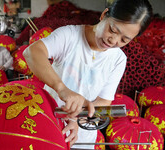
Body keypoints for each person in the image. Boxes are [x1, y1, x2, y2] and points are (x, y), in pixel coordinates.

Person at [23, 0, 153, 149]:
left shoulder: (118, 59)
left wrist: (78, 119)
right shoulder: (70, 36)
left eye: (124, 40)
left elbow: (104, 101)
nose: (113, 40)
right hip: (49, 123)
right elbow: (32, 52)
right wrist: (62, 89)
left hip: (82, 136)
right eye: (112, 30)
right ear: (104, 15)